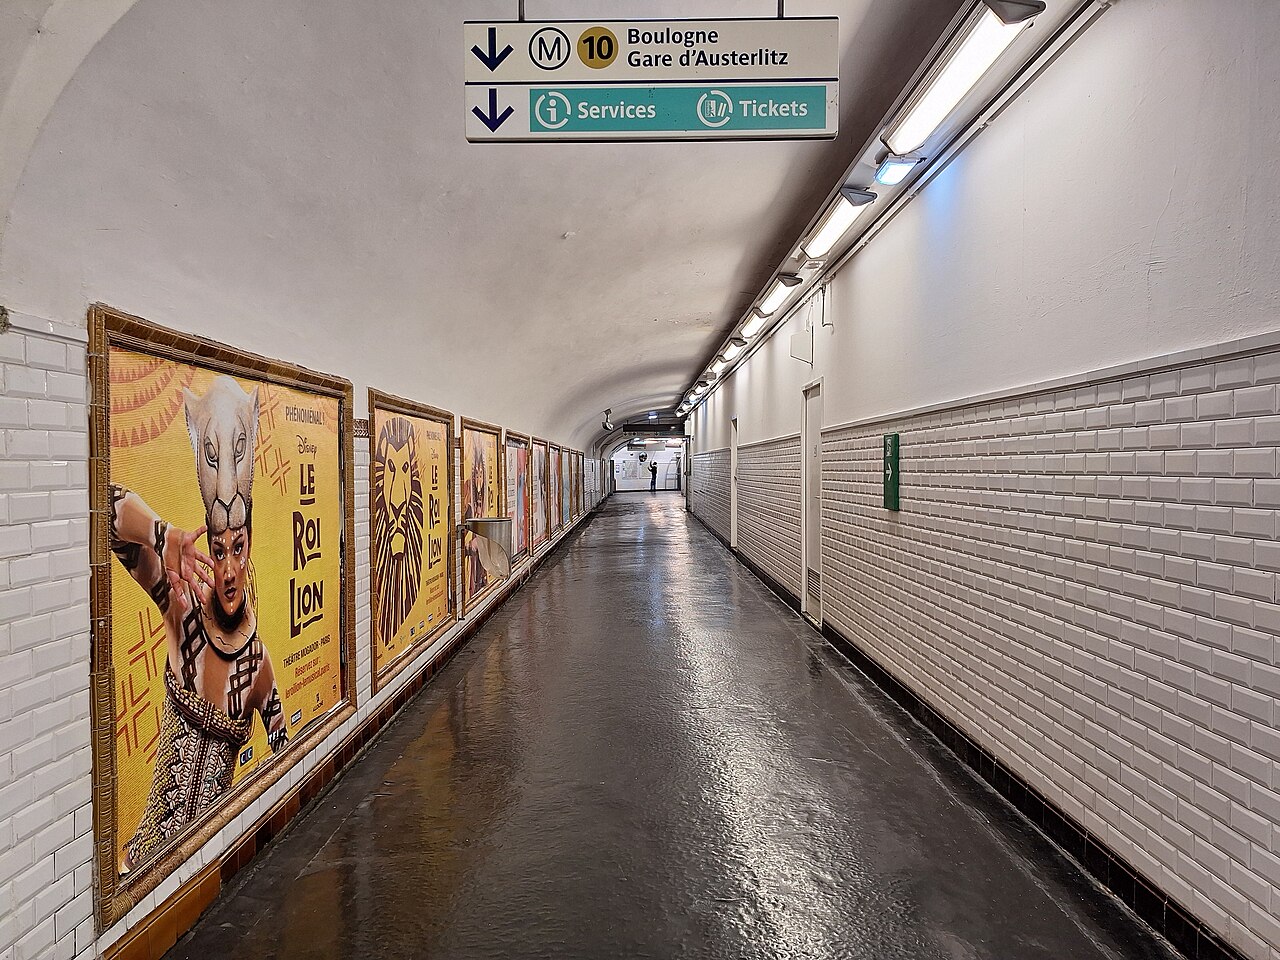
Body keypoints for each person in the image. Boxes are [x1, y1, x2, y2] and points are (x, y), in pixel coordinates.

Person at [111, 375, 287, 874]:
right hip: (145, 868)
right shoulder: (183, 610)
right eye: (217, 549)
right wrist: (162, 536)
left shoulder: (259, 669)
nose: (228, 569)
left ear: (250, 549)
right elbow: (103, 508)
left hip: (212, 870)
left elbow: (283, 767)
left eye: (238, 548)